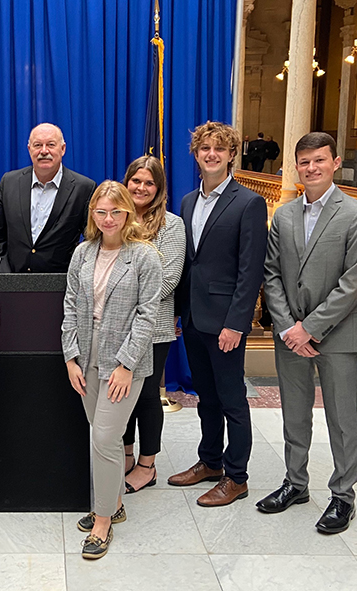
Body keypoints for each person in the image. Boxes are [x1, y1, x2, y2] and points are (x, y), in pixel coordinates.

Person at [259, 132, 357, 534]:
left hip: (337, 336)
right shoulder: (285, 214)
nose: (311, 168)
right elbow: (271, 274)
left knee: (341, 418)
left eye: (319, 161)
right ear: (296, 166)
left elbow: (354, 280)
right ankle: (295, 482)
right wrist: (289, 327)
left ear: (335, 162)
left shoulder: (356, 214)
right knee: (294, 412)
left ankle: (343, 495)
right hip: (290, 333)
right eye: (304, 162)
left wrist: (310, 328)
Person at [167, 121, 267, 507]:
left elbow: (250, 269)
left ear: (230, 156)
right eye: (204, 149)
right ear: (196, 155)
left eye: (219, 150)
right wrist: (179, 312)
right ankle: (209, 462)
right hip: (193, 317)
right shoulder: (189, 201)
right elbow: (188, 264)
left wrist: (236, 324)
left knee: (231, 400)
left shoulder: (248, 202)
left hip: (225, 321)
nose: (211, 155)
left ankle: (236, 477)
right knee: (204, 396)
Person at [62, 180, 161, 560]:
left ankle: (102, 520)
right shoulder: (83, 254)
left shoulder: (144, 256)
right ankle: (115, 501)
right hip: (85, 355)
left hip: (124, 360)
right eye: (100, 212)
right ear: (93, 214)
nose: (108, 219)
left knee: (104, 439)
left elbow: (147, 315)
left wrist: (125, 365)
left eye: (115, 211)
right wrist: (70, 357)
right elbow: (70, 306)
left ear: (128, 213)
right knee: (100, 435)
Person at [120, 156, 186, 494]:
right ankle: (127, 456)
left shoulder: (172, 226)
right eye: (136, 181)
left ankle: (148, 465)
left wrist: (124, 300)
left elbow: (170, 276)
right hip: (117, 328)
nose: (141, 188)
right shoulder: (117, 219)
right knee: (122, 395)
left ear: (158, 189)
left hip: (154, 326)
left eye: (148, 183)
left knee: (146, 395)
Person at [0, 123, 96, 273]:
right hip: (13, 283)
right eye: (37, 145)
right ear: (29, 149)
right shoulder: (9, 183)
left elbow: (92, 239)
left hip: (62, 285)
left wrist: (75, 274)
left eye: (50, 145)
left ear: (63, 149)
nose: (44, 151)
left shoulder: (84, 188)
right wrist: (5, 273)